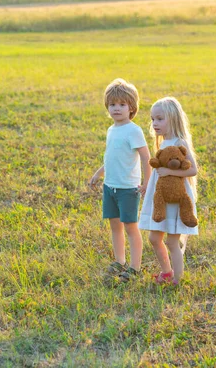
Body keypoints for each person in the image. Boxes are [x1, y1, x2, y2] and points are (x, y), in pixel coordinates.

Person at [89, 78, 151, 283]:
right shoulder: (111, 130)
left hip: (128, 189)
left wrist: (146, 182)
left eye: (122, 105)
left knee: (130, 227)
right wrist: (99, 173)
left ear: (131, 108)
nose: (117, 109)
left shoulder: (133, 130)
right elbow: (112, 157)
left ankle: (135, 267)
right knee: (115, 225)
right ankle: (119, 261)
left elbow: (145, 157)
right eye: (112, 105)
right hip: (110, 187)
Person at [139, 97, 199, 286]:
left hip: (177, 199)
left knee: (172, 242)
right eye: (152, 119)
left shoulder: (180, 142)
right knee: (154, 237)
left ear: (172, 119)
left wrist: (169, 171)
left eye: (159, 119)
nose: (154, 123)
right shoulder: (162, 143)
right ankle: (167, 272)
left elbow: (192, 170)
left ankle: (178, 281)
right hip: (161, 198)